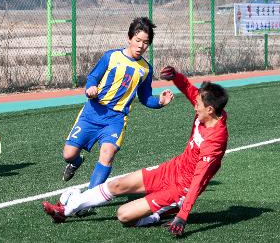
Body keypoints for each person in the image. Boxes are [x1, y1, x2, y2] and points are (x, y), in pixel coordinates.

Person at [43, 66, 229, 237]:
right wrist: (176, 76)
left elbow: (199, 179)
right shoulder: (206, 110)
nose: (194, 105)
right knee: (117, 184)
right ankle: (64, 211)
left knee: (123, 215)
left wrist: (183, 215)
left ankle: (157, 215)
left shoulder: (215, 140)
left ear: (210, 110)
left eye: (198, 104)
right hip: (171, 169)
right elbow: (190, 90)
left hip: (181, 190)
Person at [62, 17, 174, 190]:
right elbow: (93, 77)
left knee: (107, 154)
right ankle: (76, 162)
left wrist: (159, 101)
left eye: (145, 42)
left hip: (116, 119)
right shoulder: (111, 56)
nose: (140, 46)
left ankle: (91, 198)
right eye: (137, 40)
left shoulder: (145, 69)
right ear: (129, 38)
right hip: (93, 112)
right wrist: (91, 87)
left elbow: (145, 98)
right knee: (69, 154)